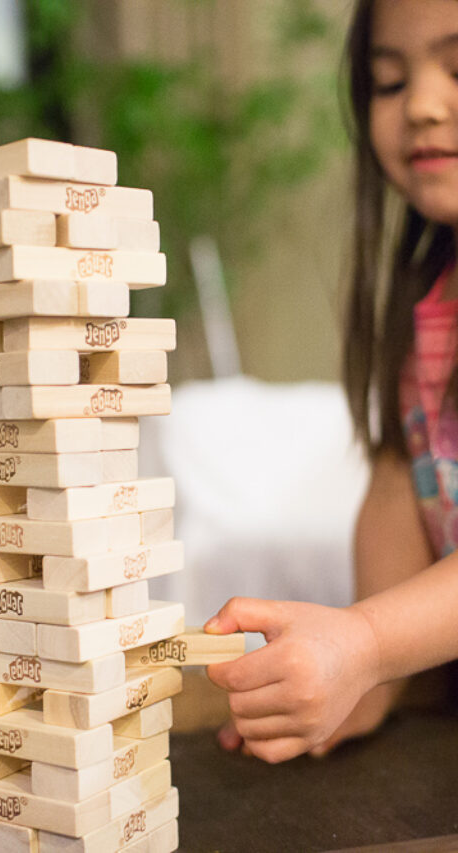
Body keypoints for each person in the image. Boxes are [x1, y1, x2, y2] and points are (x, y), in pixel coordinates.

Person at [205, 0, 458, 763]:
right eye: (387, 82)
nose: (421, 105)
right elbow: (404, 486)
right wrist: (364, 682)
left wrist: (366, 643)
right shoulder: (426, 310)